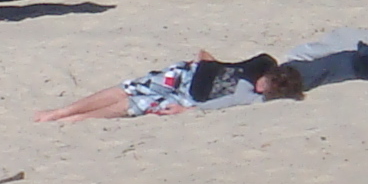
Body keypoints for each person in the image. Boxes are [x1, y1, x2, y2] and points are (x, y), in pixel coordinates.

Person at [36, 51, 301, 121]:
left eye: (265, 91)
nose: (259, 88)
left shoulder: (250, 98)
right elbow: (233, 64)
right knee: (128, 88)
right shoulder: (262, 63)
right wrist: (208, 60)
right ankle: (61, 111)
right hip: (187, 72)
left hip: (186, 98)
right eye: (264, 84)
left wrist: (186, 112)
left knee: (132, 104)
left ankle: (78, 117)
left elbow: (216, 105)